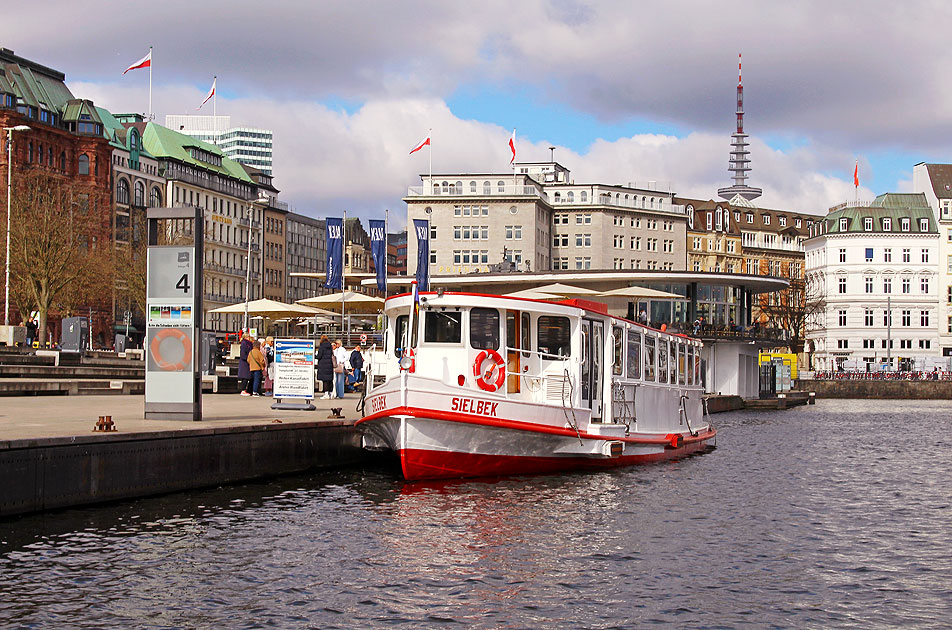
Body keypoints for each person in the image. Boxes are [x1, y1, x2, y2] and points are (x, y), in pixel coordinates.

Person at [316, 334, 335, 399]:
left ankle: (326, 394)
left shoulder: (322, 347)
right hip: (329, 364)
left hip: (323, 365)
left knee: (325, 380)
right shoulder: (330, 346)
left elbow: (319, 356)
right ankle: (331, 393)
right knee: (329, 380)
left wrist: (315, 356)